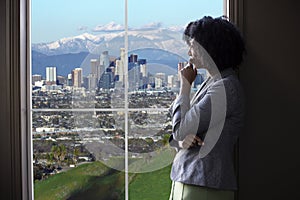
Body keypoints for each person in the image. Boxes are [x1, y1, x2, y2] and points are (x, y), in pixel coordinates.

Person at [168, 16, 246, 200]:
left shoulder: (225, 88)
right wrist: (180, 142)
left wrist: (185, 86)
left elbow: (179, 128)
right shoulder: (213, 83)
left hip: (203, 183)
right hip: (190, 178)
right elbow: (178, 133)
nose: (189, 53)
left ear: (209, 50)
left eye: (193, 46)